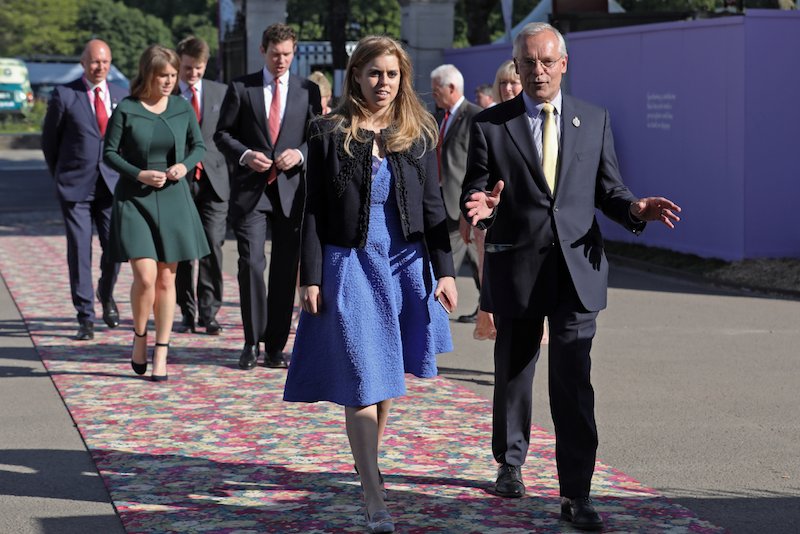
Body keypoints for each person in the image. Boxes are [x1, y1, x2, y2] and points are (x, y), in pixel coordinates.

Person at [462, 22, 681, 531]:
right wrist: (482, 206)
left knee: (573, 382)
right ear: (516, 67)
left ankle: (576, 493)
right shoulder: (491, 125)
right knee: (514, 371)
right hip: (516, 268)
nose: (537, 71)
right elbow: (476, 191)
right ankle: (510, 462)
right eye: (528, 62)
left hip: (577, 271)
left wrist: (635, 209)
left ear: (564, 64)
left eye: (546, 61)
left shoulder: (593, 119)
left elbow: (609, 190)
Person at [283, 36, 457, 534]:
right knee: (362, 374)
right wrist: (310, 277)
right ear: (356, 75)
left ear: (404, 79)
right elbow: (313, 209)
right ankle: (374, 493)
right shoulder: (327, 132)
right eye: (375, 73)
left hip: (404, 264)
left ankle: (368, 466)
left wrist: (445, 270)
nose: (384, 83)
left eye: (393, 74)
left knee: (385, 376)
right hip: (350, 263)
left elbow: (432, 208)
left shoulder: (418, 132)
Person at [215, 23, 321, 370]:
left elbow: (317, 138)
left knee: (284, 270)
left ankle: (275, 346)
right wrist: (246, 155)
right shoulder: (241, 88)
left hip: (291, 191)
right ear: (263, 51)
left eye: (287, 54)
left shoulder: (307, 90)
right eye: (275, 54)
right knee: (251, 264)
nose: (281, 60)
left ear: (294, 52)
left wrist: (300, 154)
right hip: (252, 192)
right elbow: (222, 134)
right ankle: (251, 342)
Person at [104, 45, 209, 382]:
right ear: (148, 74)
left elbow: (199, 146)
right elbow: (109, 153)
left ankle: (161, 351)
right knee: (146, 277)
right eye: (163, 75)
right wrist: (139, 173)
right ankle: (140, 336)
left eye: (173, 75)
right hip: (135, 199)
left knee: (166, 278)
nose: (169, 81)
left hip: (173, 198)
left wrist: (183, 166)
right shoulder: (127, 108)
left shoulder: (182, 107)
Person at [41, 39, 127, 341]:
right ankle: (85, 316)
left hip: (111, 186)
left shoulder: (121, 95)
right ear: (83, 63)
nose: (99, 67)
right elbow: (49, 142)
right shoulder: (65, 95)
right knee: (79, 250)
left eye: (104, 62)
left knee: (115, 248)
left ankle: (106, 292)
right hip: (75, 186)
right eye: (94, 61)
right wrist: (60, 175)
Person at [173, 36, 230, 336]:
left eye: (198, 68)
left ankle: (209, 312)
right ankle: (187, 311)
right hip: (179, 181)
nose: (193, 73)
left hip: (214, 181)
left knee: (212, 244)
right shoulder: (168, 93)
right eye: (187, 68)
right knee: (183, 249)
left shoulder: (221, 92)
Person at [471, 59, 527, 342]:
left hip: (524, 216)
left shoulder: (536, 119)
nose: (507, 88)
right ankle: (495, 329)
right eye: (502, 83)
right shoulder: (488, 120)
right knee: (491, 278)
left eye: (513, 82)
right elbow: (475, 174)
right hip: (489, 217)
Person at [430, 64, 482, 325]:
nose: (433, 94)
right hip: (441, 197)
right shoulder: (441, 116)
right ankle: (488, 308)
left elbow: (479, 162)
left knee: (445, 261)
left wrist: (470, 199)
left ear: (451, 88)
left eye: (436, 90)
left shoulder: (475, 116)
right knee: (478, 260)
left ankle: (436, 313)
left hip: (461, 202)